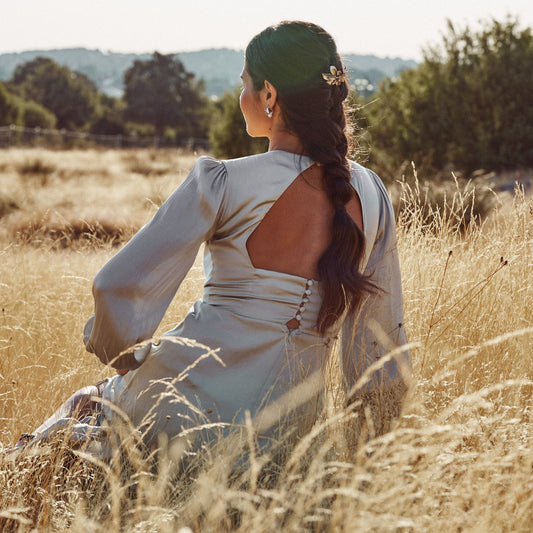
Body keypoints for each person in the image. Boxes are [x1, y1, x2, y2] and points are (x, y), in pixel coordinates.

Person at [9, 21, 410, 455]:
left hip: (182, 398)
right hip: (288, 429)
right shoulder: (371, 195)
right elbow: (382, 346)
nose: (241, 98)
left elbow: (114, 285)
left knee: (76, 416)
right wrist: (362, 451)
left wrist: (122, 353)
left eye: (244, 84)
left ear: (269, 95)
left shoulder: (221, 181)